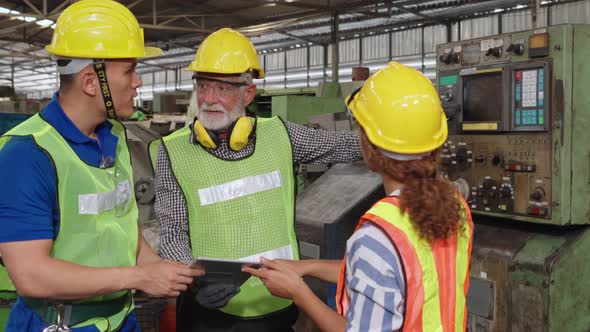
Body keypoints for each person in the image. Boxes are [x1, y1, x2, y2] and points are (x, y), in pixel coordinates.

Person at [0, 1, 202, 331]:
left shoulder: (115, 137)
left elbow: (121, 226)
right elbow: (31, 275)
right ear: (91, 83)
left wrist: (169, 273)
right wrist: (140, 276)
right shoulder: (27, 153)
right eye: (129, 70)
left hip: (122, 318)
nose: (138, 82)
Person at [150, 27, 363, 331]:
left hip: (276, 305)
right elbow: (172, 233)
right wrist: (194, 277)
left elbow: (345, 145)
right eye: (203, 85)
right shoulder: (173, 152)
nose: (209, 99)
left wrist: (399, 141)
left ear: (248, 93)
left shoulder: (282, 135)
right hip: (208, 313)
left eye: (222, 88)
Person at [244, 62, 474, 332]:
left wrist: (299, 293)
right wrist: (305, 267)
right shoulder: (456, 207)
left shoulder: (379, 234)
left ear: (368, 149)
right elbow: (392, 271)